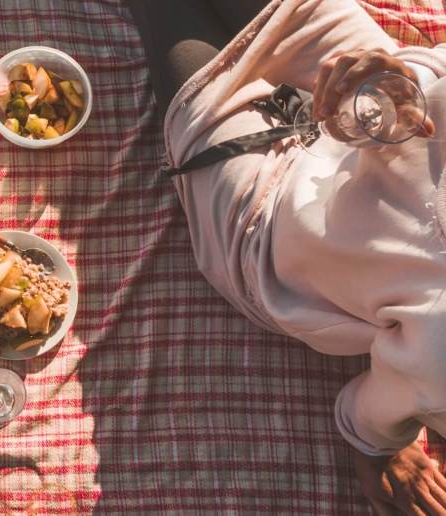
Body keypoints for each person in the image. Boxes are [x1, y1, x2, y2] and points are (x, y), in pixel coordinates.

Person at [129, 0, 446, 514]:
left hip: (265, 218)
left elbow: (366, 417)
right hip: (377, 104)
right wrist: (402, 83)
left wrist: (381, 445)